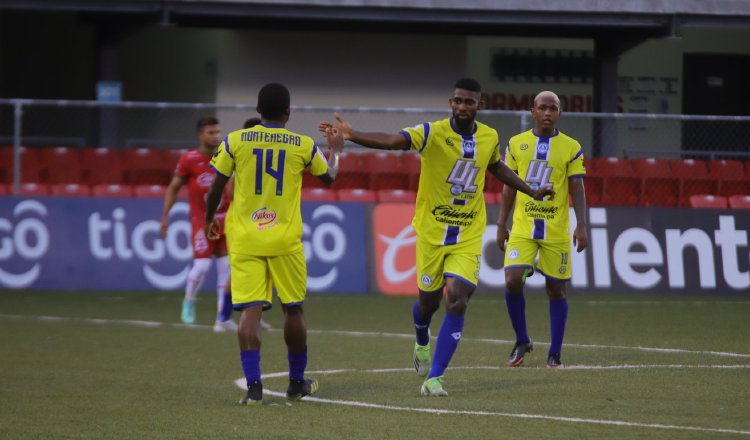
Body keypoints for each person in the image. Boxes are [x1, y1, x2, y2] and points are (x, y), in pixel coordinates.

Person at [318, 78, 553, 396]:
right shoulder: (432, 133)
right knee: (427, 305)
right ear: (450, 102)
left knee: (456, 299)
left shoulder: (489, 137)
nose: (462, 106)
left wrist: (531, 191)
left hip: (468, 234)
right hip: (431, 234)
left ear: (478, 105)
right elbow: (392, 141)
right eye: (458, 101)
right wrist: (353, 134)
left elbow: (496, 167)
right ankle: (421, 338)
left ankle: (435, 378)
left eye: (469, 102)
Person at [206, 83, 344, 406]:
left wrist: (208, 218)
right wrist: (336, 149)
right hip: (284, 239)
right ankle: (296, 383)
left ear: (257, 109)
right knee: (293, 309)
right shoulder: (303, 145)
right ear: (288, 112)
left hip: (244, 238)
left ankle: (254, 390)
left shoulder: (235, 141)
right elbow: (330, 177)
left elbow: (215, 187)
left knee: (249, 312)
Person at [496, 91, 588, 369]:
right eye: (542, 108)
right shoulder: (516, 144)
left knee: (556, 290)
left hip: (556, 232)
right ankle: (522, 340)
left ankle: (555, 354)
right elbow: (508, 186)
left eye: (553, 108)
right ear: (532, 111)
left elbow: (577, 188)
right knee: (512, 279)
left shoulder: (571, 147)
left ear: (560, 113)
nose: (548, 112)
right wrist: (501, 223)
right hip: (523, 229)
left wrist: (582, 224)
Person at [160, 117, 237, 333]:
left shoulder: (227, 155)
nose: (216, 136)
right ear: (200, 135)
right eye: (211, 132)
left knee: (226, 270)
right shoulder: (189, 160)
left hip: (225, 220)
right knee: (202, 266)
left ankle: (221, 319)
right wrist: (165, 216)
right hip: (202, 222)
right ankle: (189, 299)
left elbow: (232, 187)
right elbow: (174, 187)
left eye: (218, 132)